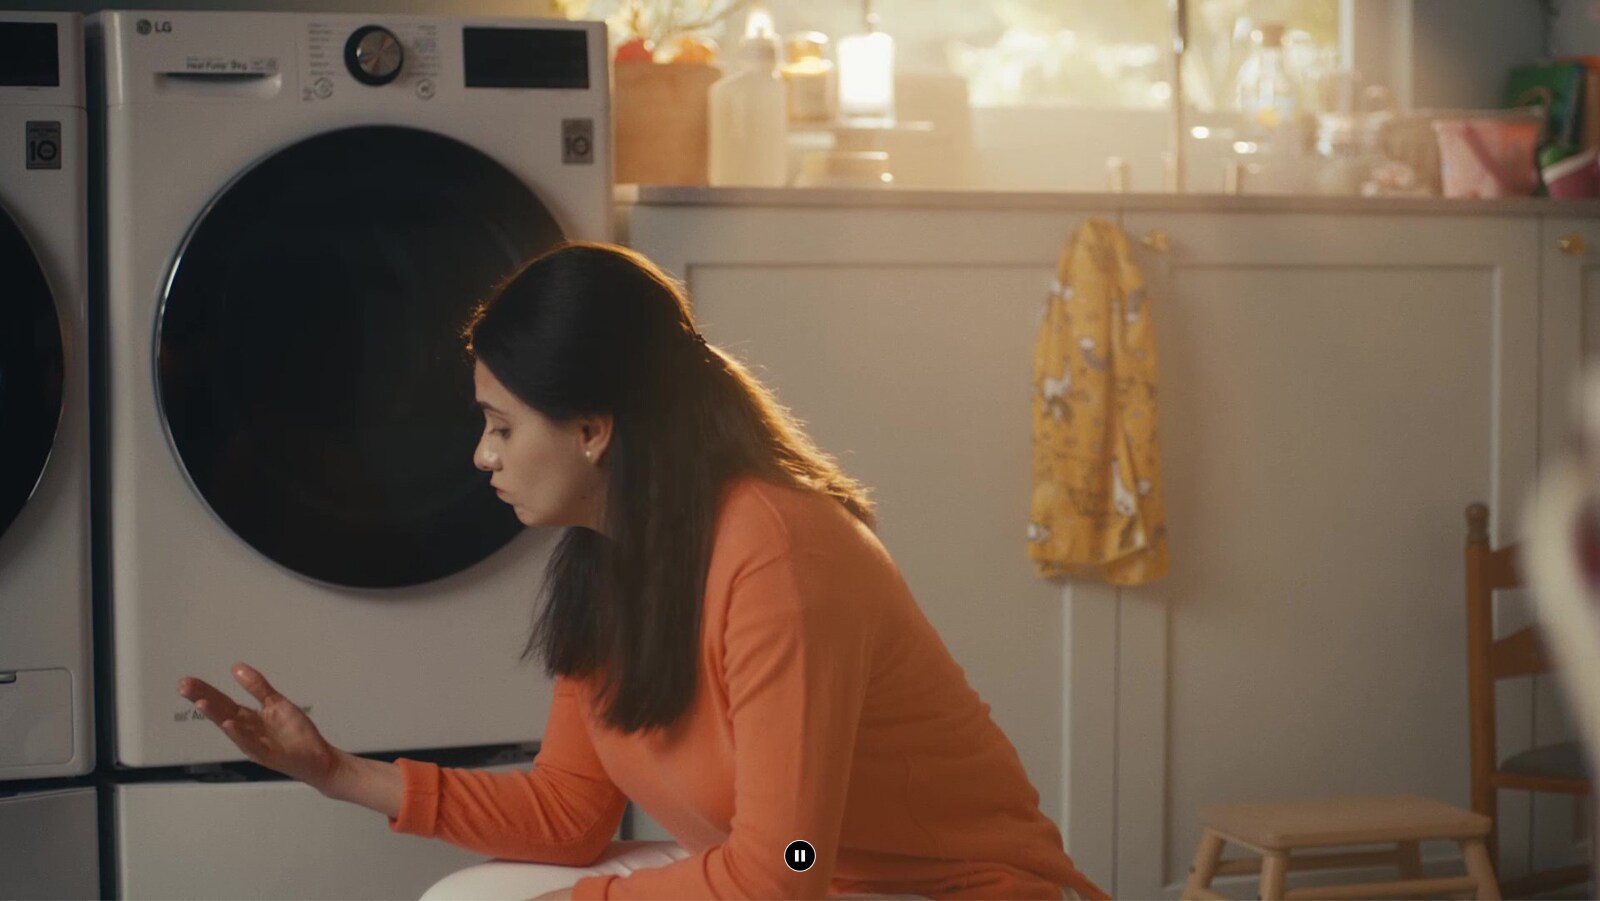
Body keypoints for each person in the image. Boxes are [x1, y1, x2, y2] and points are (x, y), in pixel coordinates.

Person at [177, 242, 1107, 901]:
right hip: (805, 885)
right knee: (466, 898)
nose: (481, 456)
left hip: (942, 890)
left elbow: (783, 867)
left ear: (591, 427)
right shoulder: (608, 554)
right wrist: (338, 771)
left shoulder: (779, 554)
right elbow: (572, 808)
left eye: (502, 425)